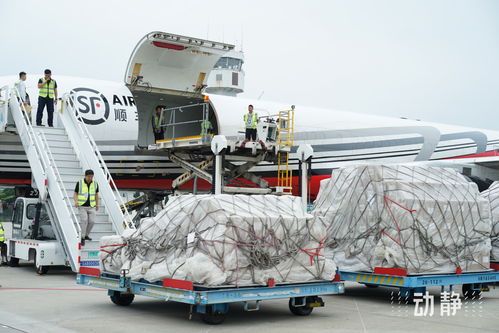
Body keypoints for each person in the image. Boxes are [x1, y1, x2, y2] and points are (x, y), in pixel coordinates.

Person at [73, 170, 99, 245]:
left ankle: (86, 235)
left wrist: (97, 204)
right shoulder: (80, 183)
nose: (90, 178)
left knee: (92, 221)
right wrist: (76, 201)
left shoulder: (95, 184)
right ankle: (82, 237)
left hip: (92, 206)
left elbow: (96, 195)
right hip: (82, 206)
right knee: (84, 220)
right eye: (89, 176)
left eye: (92, 176)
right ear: (85, 176)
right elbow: (75, 193)